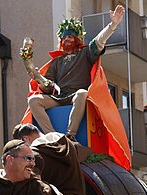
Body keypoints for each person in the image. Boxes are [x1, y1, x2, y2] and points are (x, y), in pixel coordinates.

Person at [27, 5, 125, 140]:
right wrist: (38, 78)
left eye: (70, 37)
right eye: (65, 37)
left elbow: (99, 41)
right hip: (59, 98)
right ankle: (52, 136)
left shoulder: (85, 53)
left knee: (82, 93)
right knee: (33, 100)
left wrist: (112, 25)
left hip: (76, 96)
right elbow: (48, 87)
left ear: (77, 40)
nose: (67, 39)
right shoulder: (56, 62)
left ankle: (70, 135)